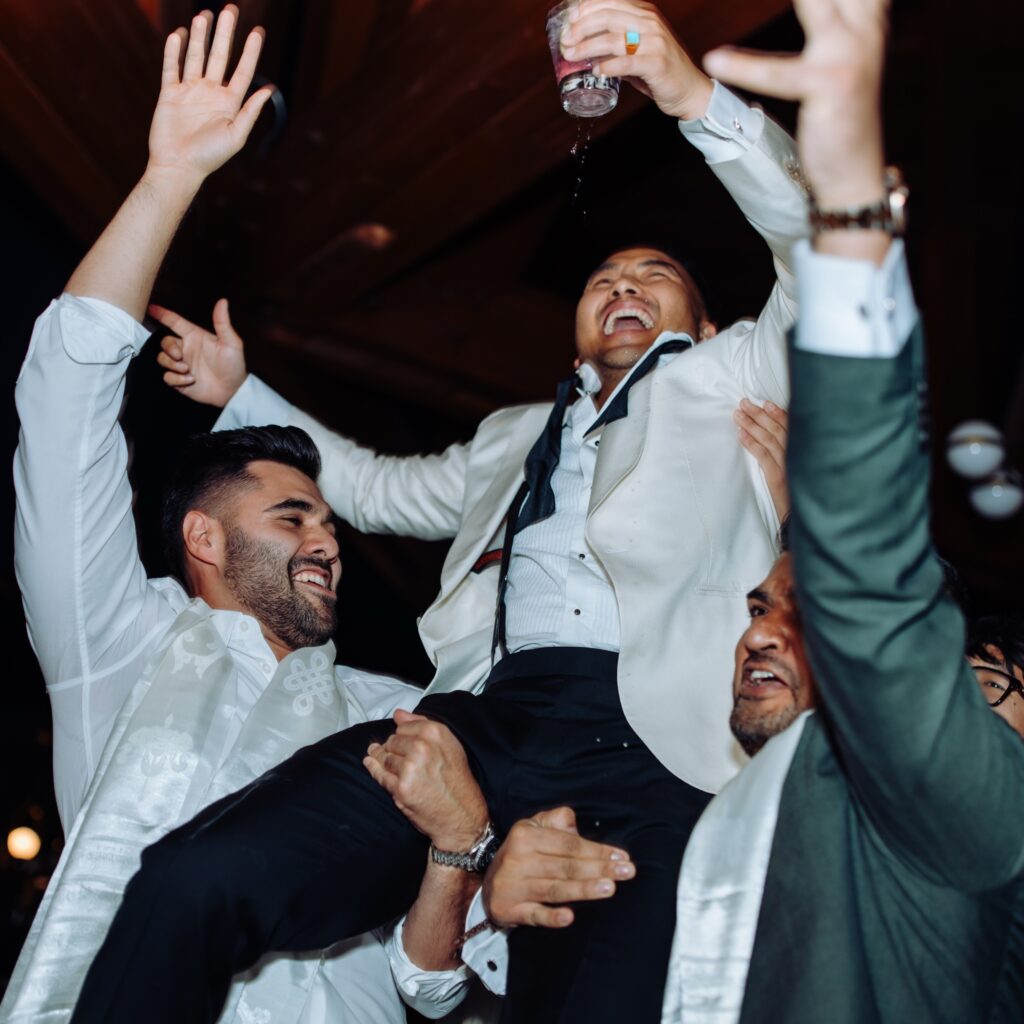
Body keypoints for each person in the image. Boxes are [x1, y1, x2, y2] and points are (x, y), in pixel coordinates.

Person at [71, 1, 808, 1020]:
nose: (622, 282)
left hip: (658, 739)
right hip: (488, 715)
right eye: (603, 277)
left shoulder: (739, 377)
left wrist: (682, 91)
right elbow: (370, 484)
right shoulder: (511, 435)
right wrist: (245, 393)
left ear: (712, 322)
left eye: (655, 277)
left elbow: (817, 244)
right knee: (194, 877)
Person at [478, 1, 1024, 1019]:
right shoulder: (734, 817)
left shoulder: (967, 817)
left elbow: (871, 578)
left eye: (982, 687)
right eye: (758, 608)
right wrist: (475, 892)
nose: (763, 630)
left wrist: (845, 200)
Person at [1, 8, 486, 1022]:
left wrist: (457, 850)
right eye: (294, 515)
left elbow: (437, 982)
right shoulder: (114, 643)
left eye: (329, 522)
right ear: (205, 540)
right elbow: (60, 397)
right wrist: (169, 175)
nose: (327, 538)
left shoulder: (391, 709)